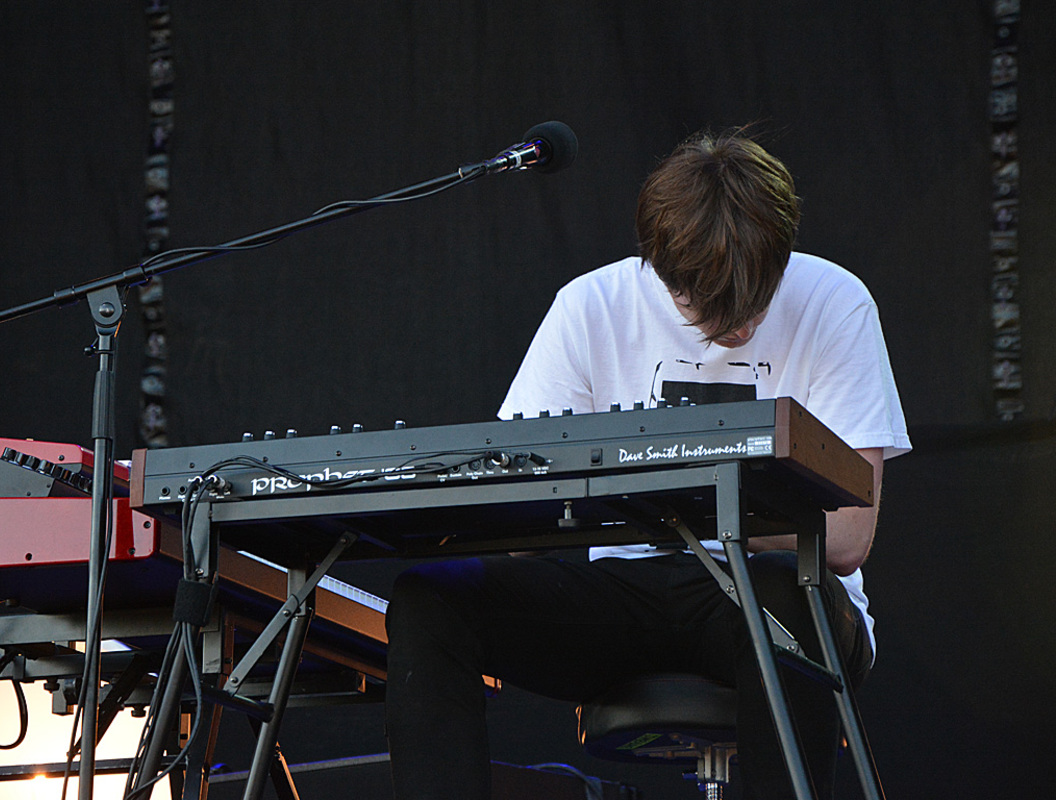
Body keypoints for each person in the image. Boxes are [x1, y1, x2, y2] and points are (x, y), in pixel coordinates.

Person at [384, 130, 910, 799]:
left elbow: (846, 540)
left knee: (785, 594)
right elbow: (513, 525)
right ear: (659, 269)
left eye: (755, 305)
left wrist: (665, 497)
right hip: (631, 597)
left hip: (775, 593)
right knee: (432, 599)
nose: (739, 329)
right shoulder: (590, 308)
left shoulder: (836, 303)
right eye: (712, 312)